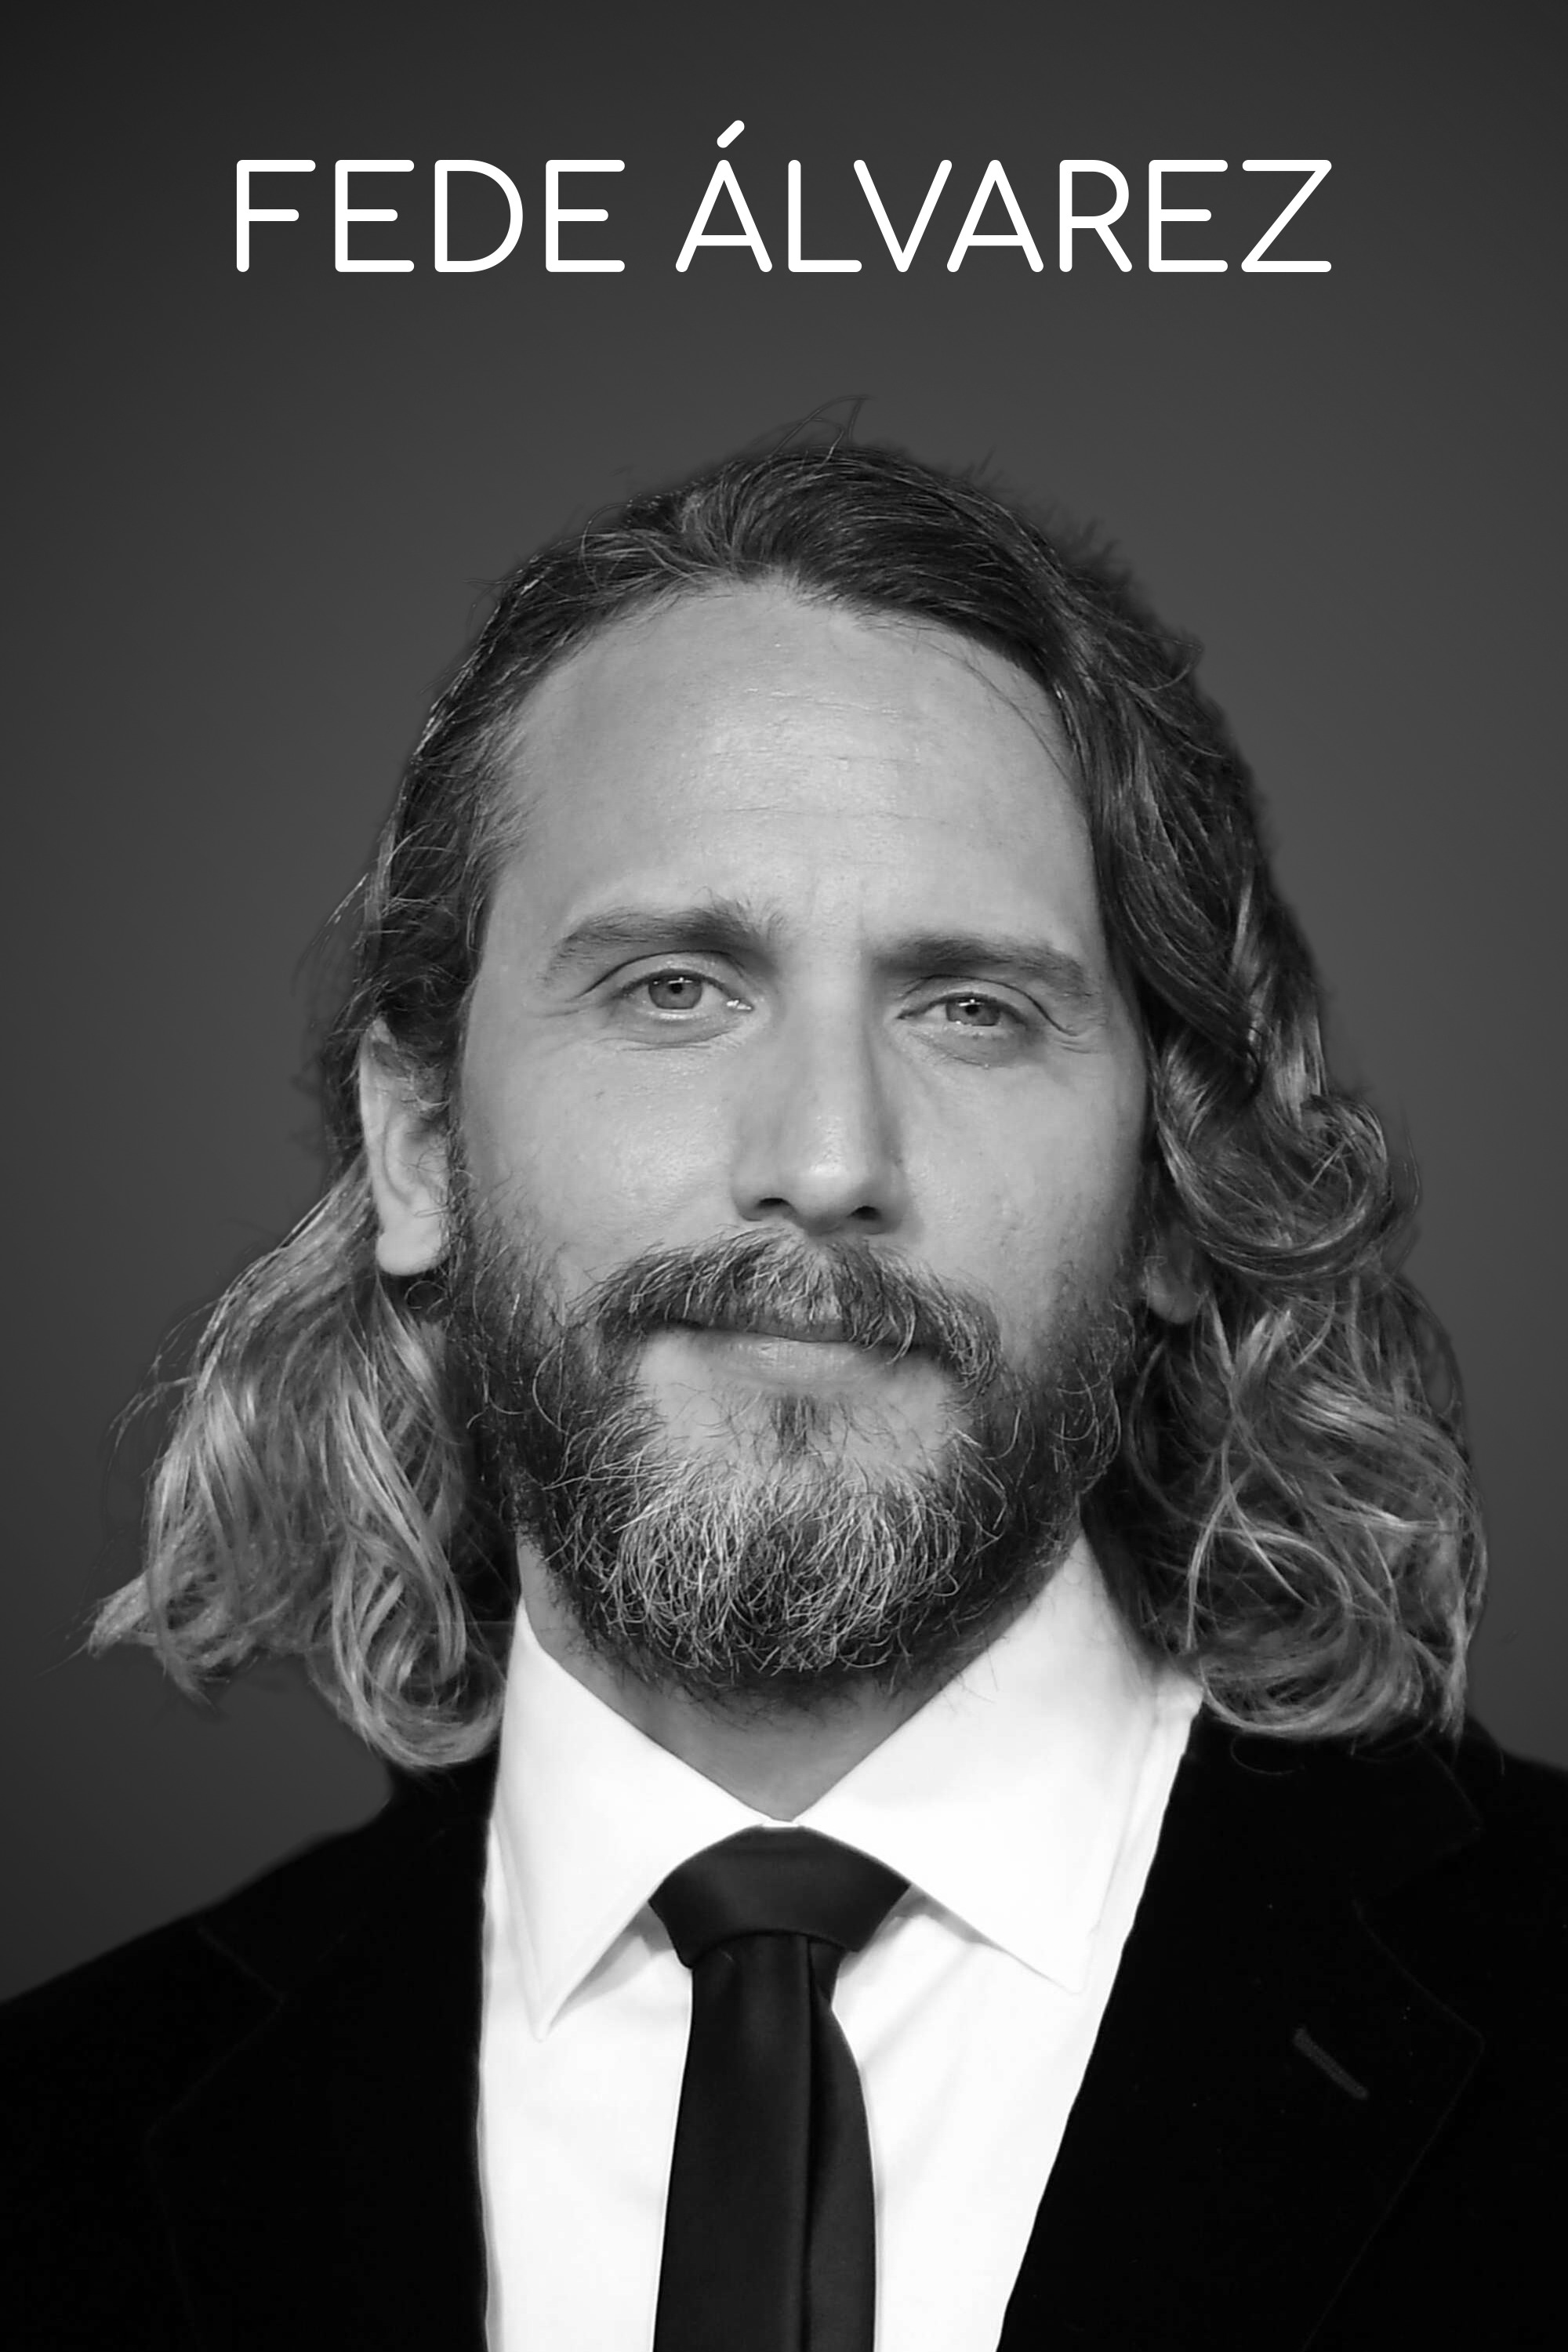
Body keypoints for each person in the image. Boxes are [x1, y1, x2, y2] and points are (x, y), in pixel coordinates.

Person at [4, 435, 1563, 2352]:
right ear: (414, 1146)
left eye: (970, 1008)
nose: (825, 1160)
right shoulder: (47, 2155)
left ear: (1176, 1190)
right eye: (674, 987)